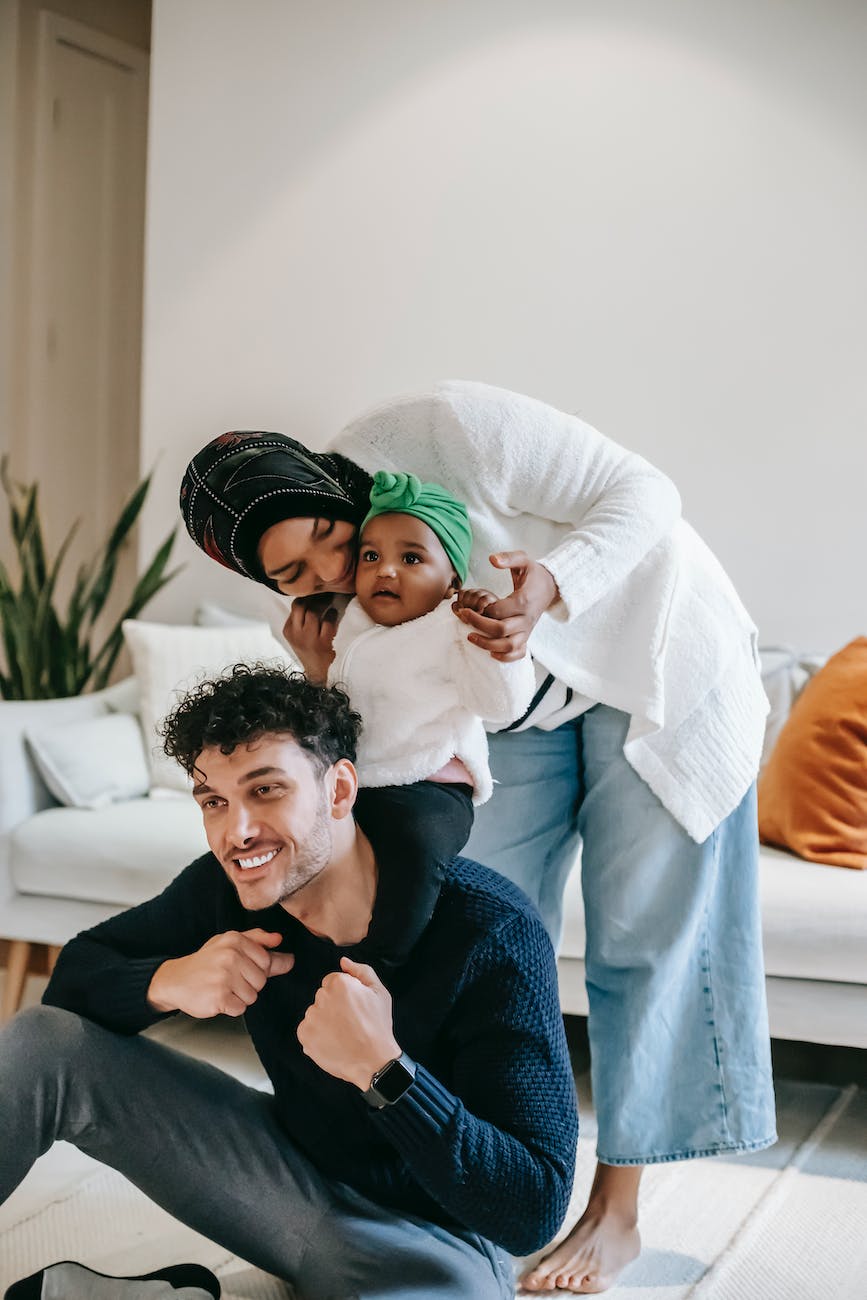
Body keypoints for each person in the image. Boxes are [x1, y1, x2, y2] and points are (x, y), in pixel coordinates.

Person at [180, 379, 777, 1294]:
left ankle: (614, 1214)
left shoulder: (446, 429)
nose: (332, 575)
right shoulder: (322, 604)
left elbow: (644, 492)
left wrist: (554, 583)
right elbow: (373, 715)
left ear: (330, 484)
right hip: (500, 700)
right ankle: (483, 1186)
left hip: (651, 657)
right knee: (484, 921)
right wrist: (322, 661)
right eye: (292, 576)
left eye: (331, 541)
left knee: (644, 940)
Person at [0, 666, 578, 1300]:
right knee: (42, 1042)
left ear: (338, 790)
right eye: (213, 801)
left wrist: (387, 1074)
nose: (236, 831)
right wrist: (168, 982)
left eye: (266, 790)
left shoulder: (491, 931)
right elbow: (72, 988)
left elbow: (535, 1208)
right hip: (286, 1182)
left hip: (438, 1241)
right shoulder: (226, 890)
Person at [327, 467, 535, 806]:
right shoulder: (355, 625)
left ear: (451, 583)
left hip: (434, 783)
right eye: (371, 556)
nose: (385, 569)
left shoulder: (457, 624)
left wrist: (491, 640)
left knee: (408, 842)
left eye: (411, 558)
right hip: (365, 782)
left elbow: (502, 705)